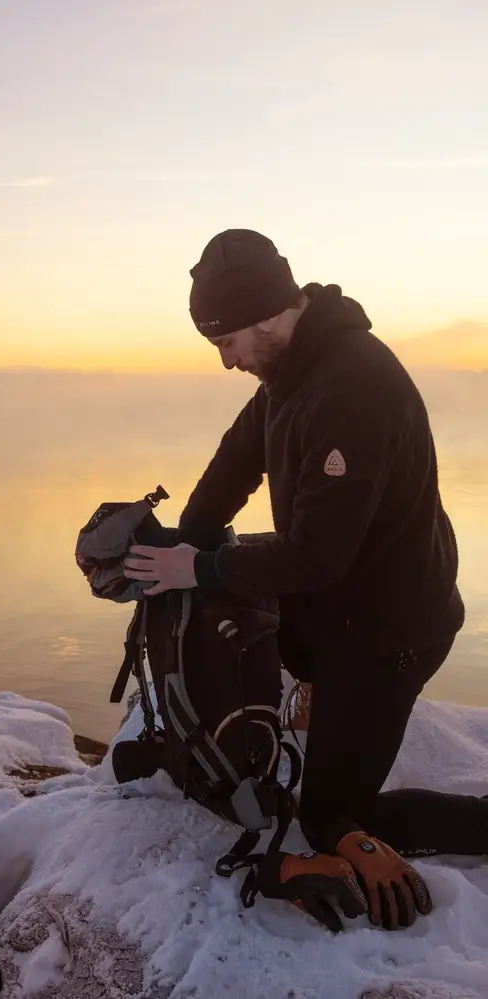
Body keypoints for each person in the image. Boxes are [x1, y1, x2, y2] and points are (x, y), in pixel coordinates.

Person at [122, 229, 488, 930]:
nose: (226, 361)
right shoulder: (288, 371)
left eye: (225, 341)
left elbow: (317, 556)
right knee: (246, 574)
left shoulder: (352, 386)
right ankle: (322, 694)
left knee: (328, 817)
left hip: (392, 631)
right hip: (346, 604)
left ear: (264, 315)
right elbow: (237, 460)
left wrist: (197, 567)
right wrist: (180, 543)